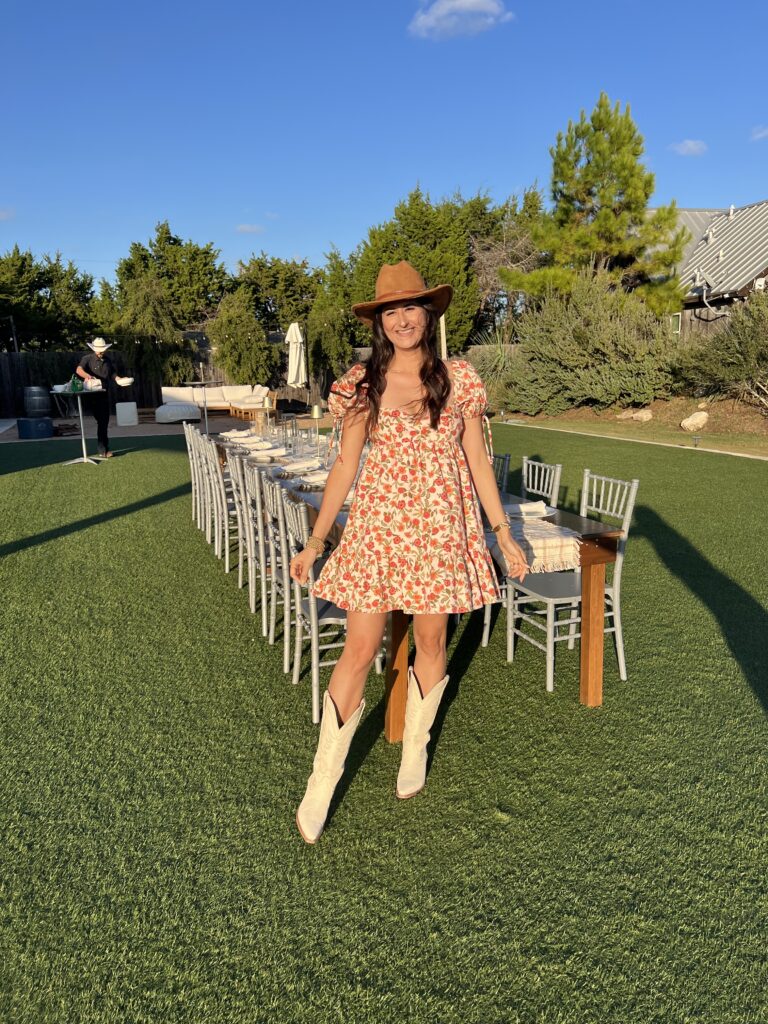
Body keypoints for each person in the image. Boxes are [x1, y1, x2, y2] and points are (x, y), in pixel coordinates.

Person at [289, 261, 529, 844]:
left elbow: (477, 463)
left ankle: (414, 748)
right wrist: (318, 540)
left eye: (411, 307)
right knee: (359, 649)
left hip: (442, 533)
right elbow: (345, 465)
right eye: (390, 310)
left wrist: (502, 532)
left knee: (430, 640)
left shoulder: (459, 381)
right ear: (379, 320)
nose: (402, 319)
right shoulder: (361, 384)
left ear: (429, 314)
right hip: (377, 532)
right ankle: (322, 781)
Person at [75, 337, 120, 457]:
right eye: (99, 349)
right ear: (94, 349)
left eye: (103, 349)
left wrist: (118, 379)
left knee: (103, 422)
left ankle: (103, 450)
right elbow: (79, 370)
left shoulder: (108, 360)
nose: (101, 352)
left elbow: (112, 373)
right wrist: (88, 376)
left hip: (103, 394)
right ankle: (102, 449)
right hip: (90, 395)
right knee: (100, 421)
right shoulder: (87, 359)